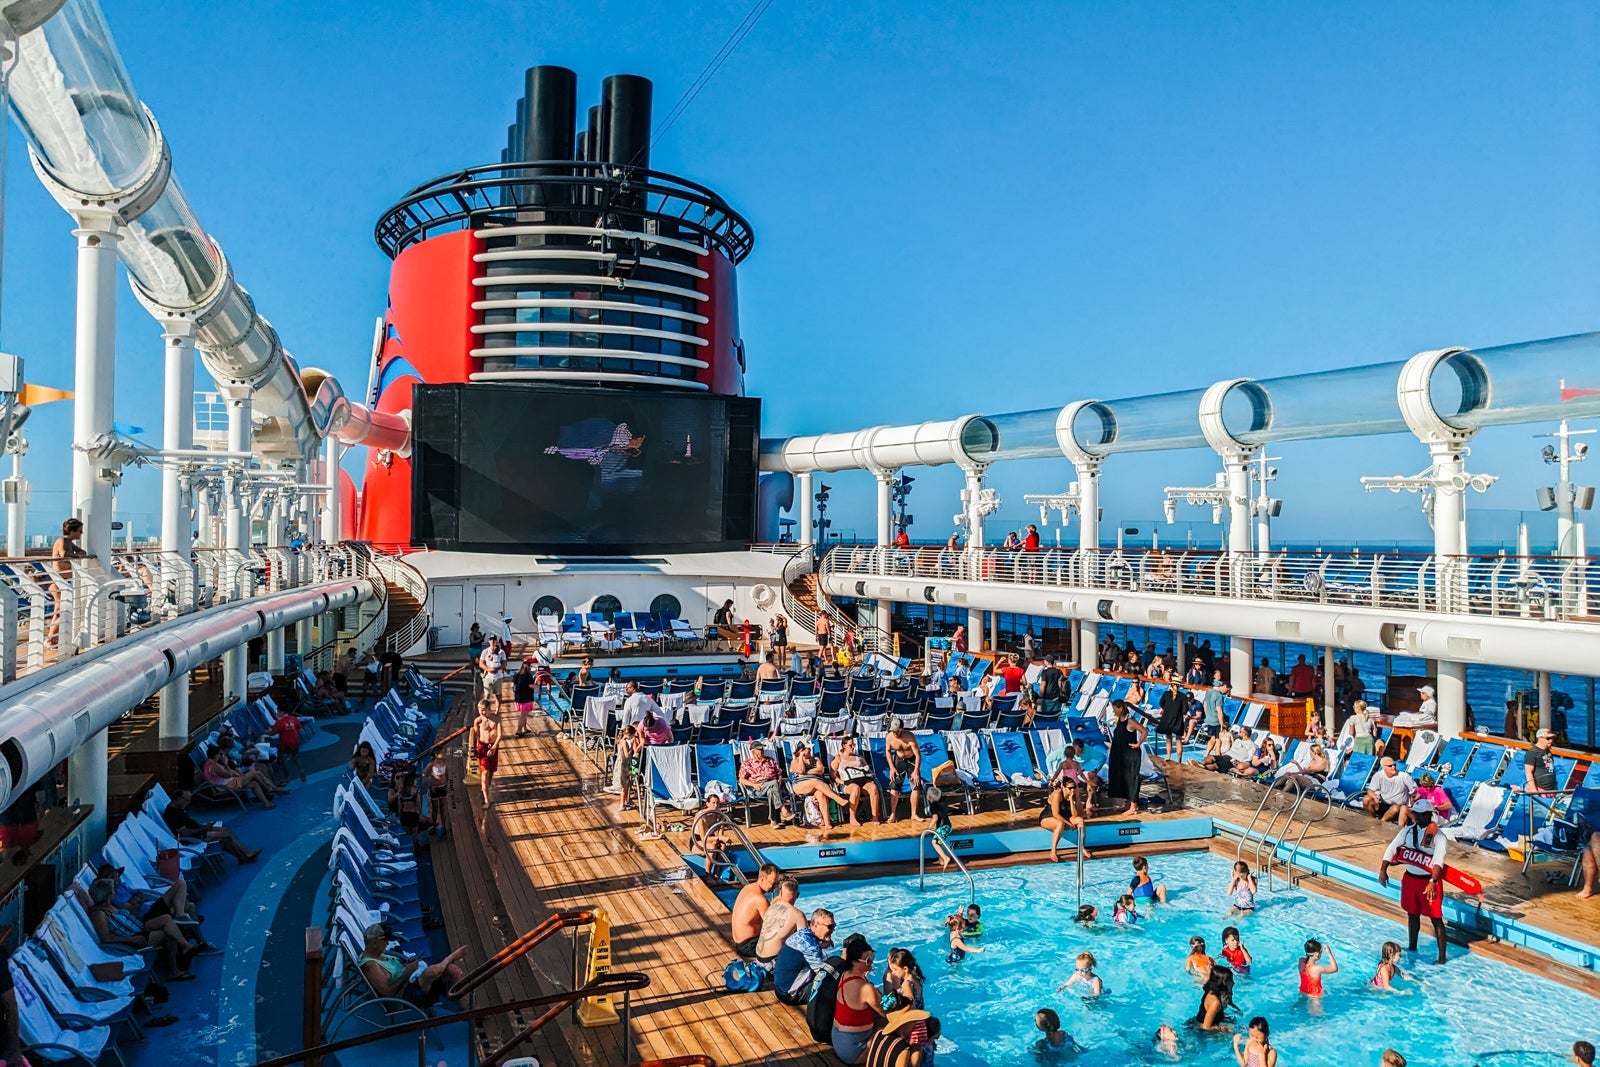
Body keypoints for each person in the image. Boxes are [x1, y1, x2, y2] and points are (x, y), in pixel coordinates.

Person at [1378, 798, 1449, 963]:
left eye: (1421, 814)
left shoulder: (1439, 837)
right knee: (1412, 913)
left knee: (1436, 918)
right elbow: (1392, 848)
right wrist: (1383, 870)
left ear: (1429, 815)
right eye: (1416, 813)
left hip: (1428, 881)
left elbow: (1438, 860)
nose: (1417, 817)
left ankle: (1442, 958)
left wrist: (1433, 881)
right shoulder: (1407, 831)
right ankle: (1412, 946)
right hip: (1410, 879)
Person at [359, 923, 467, 1010]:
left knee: (452, 970)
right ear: (375, 943)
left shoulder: (379, 954)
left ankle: (468, 1010)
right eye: (385, 940)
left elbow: (393, 974)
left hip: (412, 984)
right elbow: (387, 993)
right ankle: (451, 957)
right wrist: (406, 973)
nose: (387, 944)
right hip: (404, 998)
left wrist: (406, 965)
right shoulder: (370, 966)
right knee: (431, 973)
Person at [161, 789, 260, 862]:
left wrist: (204, 826)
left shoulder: (179, 807)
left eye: (189, 800)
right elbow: (185, 832)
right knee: (225, 835)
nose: (188, 803)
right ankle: (243, 856)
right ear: (178, 799)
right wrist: (202, 829)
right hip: (193, 836)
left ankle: (244, 854)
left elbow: (189, 822)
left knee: (226, 830)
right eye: (186, 800)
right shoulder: (171, 814)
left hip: (198, 829)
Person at [831, 937, 884, 1064]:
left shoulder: (845, 975)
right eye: (868, 960)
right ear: (854, 962)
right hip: (855, 1050)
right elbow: (887, 1013)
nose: (871, 962)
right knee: (897, 1032)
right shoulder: (865, 988)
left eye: (872, 957)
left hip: (838, 1040)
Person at [774, 908, 835, 1005]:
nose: (833, 930)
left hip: (780, 989)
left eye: (834, 926)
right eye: (830, 927)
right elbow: (824, 974)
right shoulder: (810, 946)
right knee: (834, 986)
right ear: (816, 925)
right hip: (791, 995)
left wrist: (822, 944)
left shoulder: (802, 934)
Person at [47, 517, 87, 648]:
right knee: (63, 609)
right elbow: (63, 554)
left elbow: (82, 551)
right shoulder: (62, 541)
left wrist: (79, 553)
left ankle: (52, 639)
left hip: (63, 581)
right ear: (72, 531)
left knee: (58, 610)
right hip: (58, 581)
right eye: (79, 531)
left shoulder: (69, 542)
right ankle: (50, 639)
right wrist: (76, 555)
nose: (81, 533)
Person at [204, 744, 281, 807]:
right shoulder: (215, 766)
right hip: (227, 786)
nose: (220, 756)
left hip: (226, 784)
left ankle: (266, 803)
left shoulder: (208, 763)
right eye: (219, 754)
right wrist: (226, 764)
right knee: (254, 773)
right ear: (215, 755)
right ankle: (268, 789)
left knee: (254, 784)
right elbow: (228, 774)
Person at [1106, 700, 1147, 816]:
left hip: (1130, 754)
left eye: (1114, 709)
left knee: (1131, 778)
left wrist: (1138, 744)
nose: (1113, 711)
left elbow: (1144, 731)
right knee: (1122, 777)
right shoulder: (1119, 720)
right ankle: (1128, 803)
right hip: (1120, 753)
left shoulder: (1130, 721)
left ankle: (1133, 806)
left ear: (1120, 708)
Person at [730, 862, 779, 958]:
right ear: (762, 879)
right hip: (748, 946)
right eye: (773, 883)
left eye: (777, 883)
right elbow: (773, 926)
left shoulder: (747, 888)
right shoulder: (760, 899)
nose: (775, 887)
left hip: (739, 942)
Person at [738, 741, 792, 826]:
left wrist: (780, 780)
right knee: (773, 783)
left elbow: (779, 774)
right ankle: (782, 808)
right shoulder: (747, 763)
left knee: (771, 791)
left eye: (762, 749)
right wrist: (753, 785)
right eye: (760, 749)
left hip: (774, 786)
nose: (762, 751)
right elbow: (741, 780)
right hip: (759, 787)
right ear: (753, 751)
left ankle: (773, 821)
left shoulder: (770, 760)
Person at [832, 736, 882, 825]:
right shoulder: (838, 758)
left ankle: (875, 817)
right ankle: (852, 817)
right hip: (848, 783)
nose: (853, 747)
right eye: (850, 745)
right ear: (844, 746)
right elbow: (833, 773)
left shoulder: (859, 757)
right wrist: (840, 781)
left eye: (854, 745)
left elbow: (868, 770)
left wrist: (868, 774)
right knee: (855, 788)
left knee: (873, 787)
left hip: (862, 781)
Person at [754, 877, 805, 963]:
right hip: (773, 962)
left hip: (758, 957)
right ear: (797, 895)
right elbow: (805, 944)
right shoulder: (798, 915)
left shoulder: (771, 907)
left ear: (780, 893)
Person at [863, 1008, 935, 1067]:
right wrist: (917, 1048)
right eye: (915, 1023)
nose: (919, 1027)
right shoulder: (902, 1048)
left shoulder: (879, 1033)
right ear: (904, 1024)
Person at [884, 720, 923, 824]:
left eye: (897, 731)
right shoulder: (889, 737)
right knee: (894, 786)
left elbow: (918, 754)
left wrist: (916, 771)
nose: (895, 733)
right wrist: (891, 767)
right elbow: (888, 751)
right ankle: (893, 814)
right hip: (899, 760)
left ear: (902, 729)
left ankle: (914, 814)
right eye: (893, 731)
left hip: (911, 760)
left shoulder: (910, 737)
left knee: (916, 785)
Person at [1363, 757, 1416, 823]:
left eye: (1394, 765)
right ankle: (1371, 819)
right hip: (1382, 803)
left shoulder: (1404, 776)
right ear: (1383, 767)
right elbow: (1370, 790)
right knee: (1366, 799)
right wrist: (1374, 796)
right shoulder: (1378, 775)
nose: (1393, 767)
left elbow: (1415, 791)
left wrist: (1411, 806)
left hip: (1398, 807)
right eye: (1390, 766)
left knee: (1395, 808)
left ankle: (1381, 822)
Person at [264, 705, 306, 783]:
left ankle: (287, 776)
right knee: (295, 756)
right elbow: (299, 729)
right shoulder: (294, 718)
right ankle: (301, 770)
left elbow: (272, 733)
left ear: (282, 712)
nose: (277, 713)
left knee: (282, 757)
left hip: (285, 743)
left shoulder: (279, 722)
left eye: (278, 711)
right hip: (295, 741)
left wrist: (265, 732)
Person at [472, 701, 502, 809]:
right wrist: (474, 749)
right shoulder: (478, 721)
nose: (482, 712)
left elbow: (500, 735)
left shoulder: (496, 719)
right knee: (484, 773)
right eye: (480, 710)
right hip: (482, 747)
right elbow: (475, 736)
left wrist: (494, 747)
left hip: (493, 746)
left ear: (489, 709)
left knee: (491, 772)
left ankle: (485, 789)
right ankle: (486, 801)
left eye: (484, 710)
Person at [879, 948, 925, 1015]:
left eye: (895, 969)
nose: (893, 972)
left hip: (913, 1019)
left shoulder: (906, 984)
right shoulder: (915, 978)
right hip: (921, 1014)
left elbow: (909, 1007)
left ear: (905, 969)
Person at [1194, 964, 1235, 1032]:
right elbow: (1205, 1027)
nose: (1233, 982)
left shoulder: (1212, 990)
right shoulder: (1215, 1002)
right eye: (1230, 981)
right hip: (1199, 1030)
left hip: (1204, 1020)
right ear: (1223, 984)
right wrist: (1221, 1029)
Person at [1522, 728, 1560, 792]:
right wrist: (1533, 789)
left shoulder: (1547, 751)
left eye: (1552, 738)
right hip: (1540, 789)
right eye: (1548, 738)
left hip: (1551, 789)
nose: (1551, 740)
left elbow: (1549, 768)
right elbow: (1528, 771)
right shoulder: (1532, 753)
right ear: (1540, 738)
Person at [1156, 684, 1187, 760]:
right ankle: (1179, 760)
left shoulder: (1166, 694)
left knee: (1168, 738)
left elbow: (1161, 704)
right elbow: (1184, 710)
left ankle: (1168, 756)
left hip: (1167, 718)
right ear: (1179, 686)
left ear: (1171, 685)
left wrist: (1168, 709)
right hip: (1178, 719)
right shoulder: (1183, 696)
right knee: (1178, 740)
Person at [424, 748, 450, 838]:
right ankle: (434, 825)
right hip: (435, 788)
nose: (443, 753)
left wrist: (447, 784)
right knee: (435, 808)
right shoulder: (431, 765)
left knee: (443, 807)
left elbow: (447, 774)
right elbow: (425, 775)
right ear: (436, 754)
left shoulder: (444, 762)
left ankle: (444, 826)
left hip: (443, 787)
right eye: (441, 752)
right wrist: (431, 784)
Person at [511, 659, 538, 736]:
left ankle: (525, 729)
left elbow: (512, 686)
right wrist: (537, 686)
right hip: (526, 698)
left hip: (518, 698)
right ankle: (519, 731)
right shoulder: (528, 676)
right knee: (523, 716)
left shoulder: (516, 675)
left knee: (523, 714)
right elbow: (530, 685)